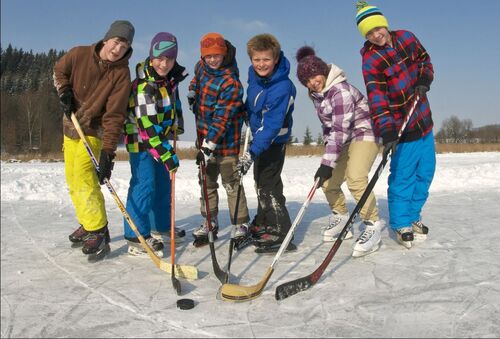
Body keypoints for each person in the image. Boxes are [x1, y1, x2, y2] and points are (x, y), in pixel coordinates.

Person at [53, 20, 135, 261]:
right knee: (73, 179)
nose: (119, 48)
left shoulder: (121, 73)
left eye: (125, 45)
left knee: (83, 176)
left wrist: (108, 152)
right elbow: (59, 70)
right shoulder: (79, 54)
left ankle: (98, 229)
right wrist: (64, 91)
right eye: (117, 41)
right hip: (70, 126)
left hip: (95, 130)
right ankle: (88, 224)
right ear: (107, 38)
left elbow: (115, 115)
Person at [356, 1, 435, 248]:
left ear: (384, 24)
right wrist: (388, 131)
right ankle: (401, 222)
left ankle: (413, 216)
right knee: (403, 177)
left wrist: (424, 78)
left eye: (377, 28)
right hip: (403, 128)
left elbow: (425, 60)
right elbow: (377, 99)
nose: (376, 35)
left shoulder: (406, 38)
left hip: (424, 120)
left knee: (426, 172)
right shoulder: (371, 60)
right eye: (369, 33)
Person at [295, 46, 382, 257]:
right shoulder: (318, 95)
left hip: (364, 133)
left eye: (314, 76)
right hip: (344, 139)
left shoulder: (340, 90)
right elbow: (330, 129)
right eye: (306, 80)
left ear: (323, 71)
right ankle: (341, 217)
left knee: (356, 178)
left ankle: (372, 225)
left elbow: (340, 129)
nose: (312, 82)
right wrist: (327, 163)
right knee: (328, 182)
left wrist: (327, 163)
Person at [123, 32, 188, 256]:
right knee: (145, 185)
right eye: (160, 58)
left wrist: (176, 125)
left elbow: (173, 105)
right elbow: (148, 128)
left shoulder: (169, 80)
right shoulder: (144, 87)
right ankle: (136, 235)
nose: (164, 63)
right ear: (151, 57)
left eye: (169, 59)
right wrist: (168, 155)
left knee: (163, 184)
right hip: (141, 142)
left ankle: (160, 226)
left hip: (160, 138)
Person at [188, 32, 250, 247]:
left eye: (216, 55)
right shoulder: (201, 67)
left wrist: (208, 147)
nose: (212, 60)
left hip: (225, 144)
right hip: (203, 139)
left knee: (231, 184)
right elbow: (196, 80)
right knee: (206, 182)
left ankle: (241, 223)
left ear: (224, 55)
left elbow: (221, 118)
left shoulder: (231, 82)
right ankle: (209, 221)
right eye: (208, 56)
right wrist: (192, 92)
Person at [237, 33, 296, 253]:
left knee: (268, 186)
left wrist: (251, 153)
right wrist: (245, 111)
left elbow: (271, 125)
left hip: (273, 140)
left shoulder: (282, 86)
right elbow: (253, 102)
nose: (261, 64)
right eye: (256, 59)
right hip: (258, 138)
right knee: (260, 182)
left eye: (266, 60)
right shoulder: (255, 76)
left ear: (276, 58)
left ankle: (281, 231)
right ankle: (263, 222)